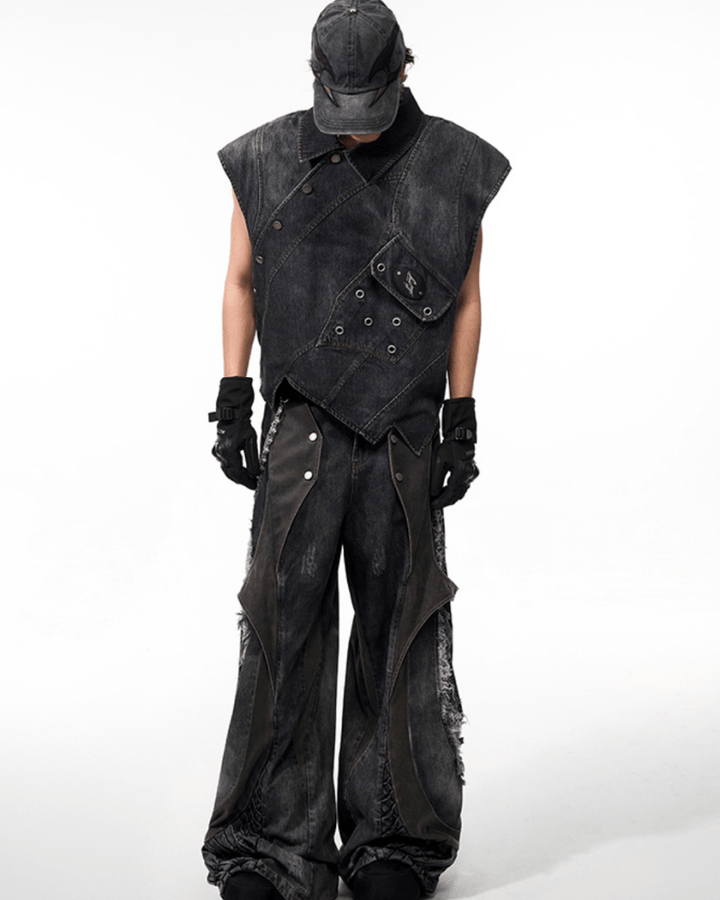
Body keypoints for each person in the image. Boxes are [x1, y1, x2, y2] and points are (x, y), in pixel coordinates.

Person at [202, 2, 511, 899]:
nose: (356, 123)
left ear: (405, 72)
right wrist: (232, 396)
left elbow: (465, 298)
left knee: (399, 628)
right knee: (282, 624)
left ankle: (394, 842)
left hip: (404, 431)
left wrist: (462, 415)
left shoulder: (455, 164)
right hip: (299, 423)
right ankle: (269, 848)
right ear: (314, 81)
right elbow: (239, 278)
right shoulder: (264, 157)